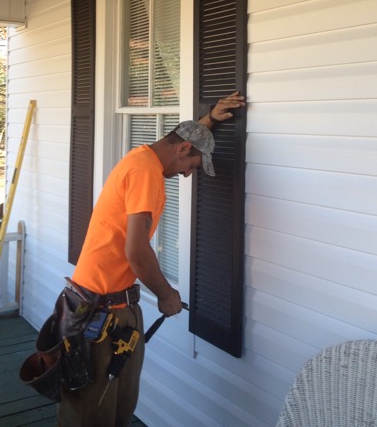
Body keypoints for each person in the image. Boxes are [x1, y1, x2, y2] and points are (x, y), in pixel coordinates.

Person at [57, 91, 246, 427]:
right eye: (192, 166)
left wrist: (210, 120)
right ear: (184, 149)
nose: (189, 174)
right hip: (99, 313)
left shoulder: (143, 159)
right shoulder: (147, 173)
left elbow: (183, 136)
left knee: (116, 408)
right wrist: (166, 294)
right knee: (92, 413)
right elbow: (136, 250)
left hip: (106, 305)